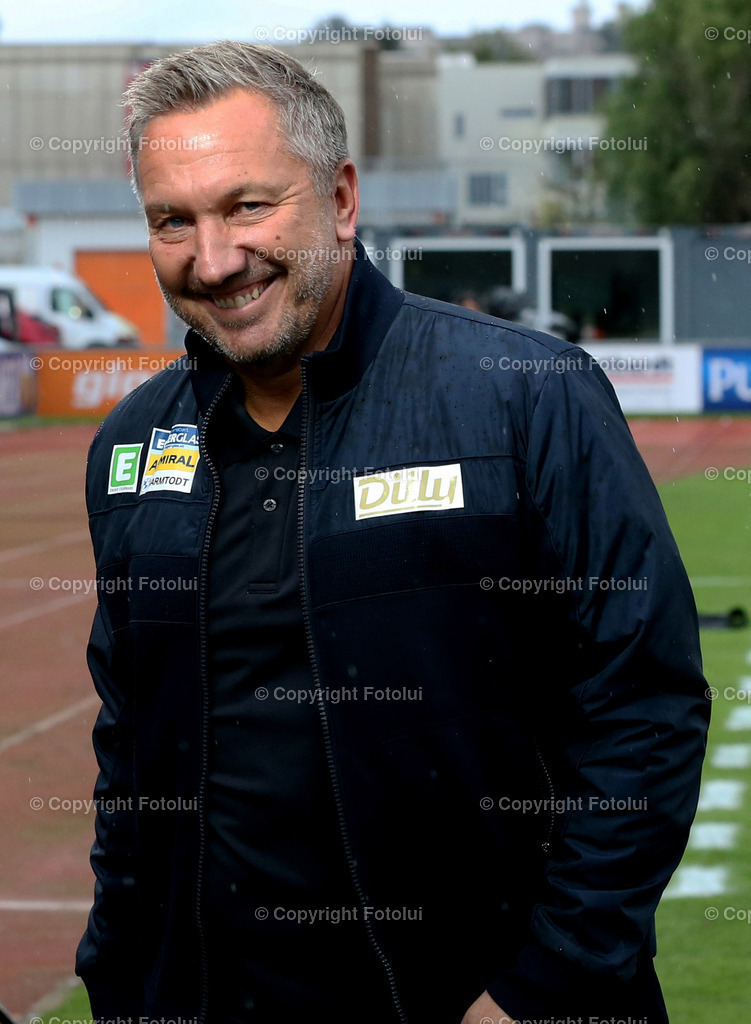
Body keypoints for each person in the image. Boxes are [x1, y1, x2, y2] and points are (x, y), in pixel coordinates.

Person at [76, 40, 709, 1024]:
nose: (213, 259)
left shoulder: (521, 395)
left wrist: (540, 992)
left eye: (247, 205)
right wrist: (117, 982)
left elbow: (643, 707)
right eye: (174, 220)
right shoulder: (129, 447)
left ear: (339, 198)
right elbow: (133, 758)